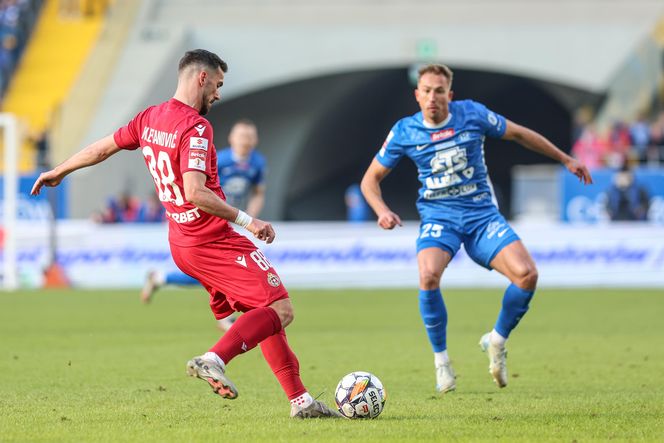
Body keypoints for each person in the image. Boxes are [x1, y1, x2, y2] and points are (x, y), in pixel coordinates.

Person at [31, 49, 340, 419]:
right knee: (280, 308)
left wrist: (60, 170)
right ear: (202, 78)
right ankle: (214, 359)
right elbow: (195, 191)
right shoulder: (195, 128)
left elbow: (103, 148)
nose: (219, 95)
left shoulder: (149, 118)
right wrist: (249, 221)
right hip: (212, 239)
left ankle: (301, 402)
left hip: (181, 242)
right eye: (219, 85)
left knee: (262, 314)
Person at [360, 64, 593, 394]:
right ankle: (442, 361)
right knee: (428, 275)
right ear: (417, 95)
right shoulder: (404, 131)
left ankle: (496, 341)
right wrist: (382, 211)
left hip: (482, 217)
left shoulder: (472, 114)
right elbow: (370, 180)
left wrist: (565, 159)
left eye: (439, 91)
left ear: (449, 95)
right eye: (426, 91)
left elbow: (520, 134)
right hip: (440, 219)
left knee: (527, 276)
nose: (432, 97)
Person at [140, 119, 267, 332]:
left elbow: (258, 193)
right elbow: (194, 185)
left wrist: (250, 218)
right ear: (231, 139)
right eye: (242, 136)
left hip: (230, 218)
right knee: (212, 268)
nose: (246, 141)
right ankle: (226, 315)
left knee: (212, 269)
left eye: (250, 136)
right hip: (205, 218)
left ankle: (161, 278)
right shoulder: (220, 159)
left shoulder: (258, 162)